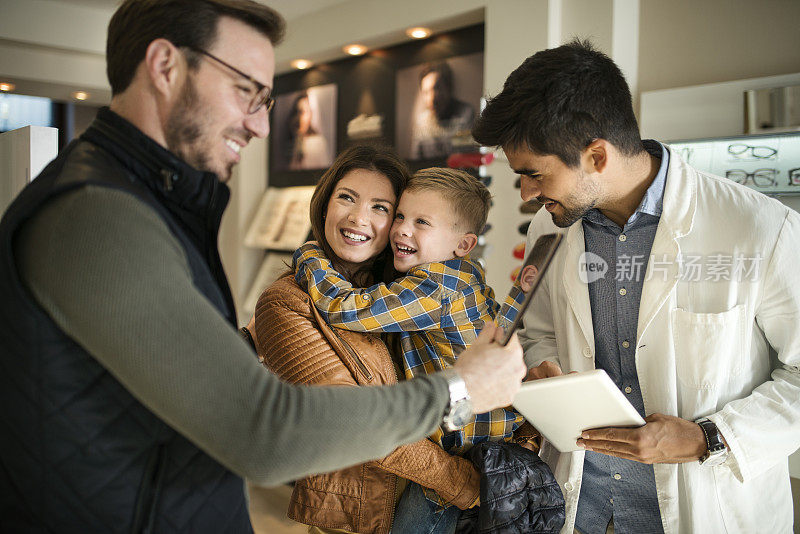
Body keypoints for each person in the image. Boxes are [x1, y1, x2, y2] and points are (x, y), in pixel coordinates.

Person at [0, 1, 527, 531]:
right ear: (164, 67)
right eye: (244, 90)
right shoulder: (98, 215)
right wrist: (459, 390)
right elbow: (262, 431)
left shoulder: (147, 204)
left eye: (266, 99)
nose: (258, 124)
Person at [471, 39, 800, 533]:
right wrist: (545, 366)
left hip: (702, 508)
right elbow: (538, 330)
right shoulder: (550, 230)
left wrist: (710, 438)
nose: (527, 194)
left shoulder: (760, 229)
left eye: (534, 175)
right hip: (580, 508)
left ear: (597, 156)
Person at [292, 167, 536, 533]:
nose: (402, 229)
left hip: (461, 446)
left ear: (464, 244)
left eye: (422, 222)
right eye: (401, 216)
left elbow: (344, 308)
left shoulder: (434, 287)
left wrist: (311, 253)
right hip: (488, 435)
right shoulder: (464, 275)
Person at [254, 147, 484, 534]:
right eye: (346, 197)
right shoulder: (287, 301)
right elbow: (353, 422)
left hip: (442, 500)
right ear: (324, 205)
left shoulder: (405, 288)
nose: (359, 217)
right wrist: (467, 484)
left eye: (382, 208)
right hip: (359, 517)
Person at [410, 62, 475, 160]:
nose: (432, 98)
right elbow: (415, 159)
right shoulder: (422, 122)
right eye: (426, 92)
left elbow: (467, 157)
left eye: (437, 88)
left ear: (448, 87)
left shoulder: (466, 113)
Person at [285, 90, 330, 170]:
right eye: (299, 112)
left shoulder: (318, 142)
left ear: (311, 114)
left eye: (304, 112)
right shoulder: (293, 141)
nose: (300, 118)